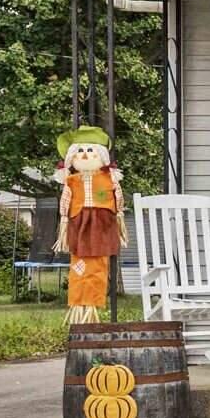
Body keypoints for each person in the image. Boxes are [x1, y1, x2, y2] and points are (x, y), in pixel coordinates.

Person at [55, 126, 124, 324]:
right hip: (80, 224)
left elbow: (117, 198)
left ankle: (92, 303)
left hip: (102, 224)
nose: (85, 156)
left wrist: (118, 215)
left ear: (100, 155)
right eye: (81, 151)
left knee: (99, 265)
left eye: (90, 151)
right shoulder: (72, 181)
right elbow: (65, 203)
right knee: (79, 264)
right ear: (72, 157)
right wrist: (64, 220)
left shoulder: (109, 179)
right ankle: (78, 302)